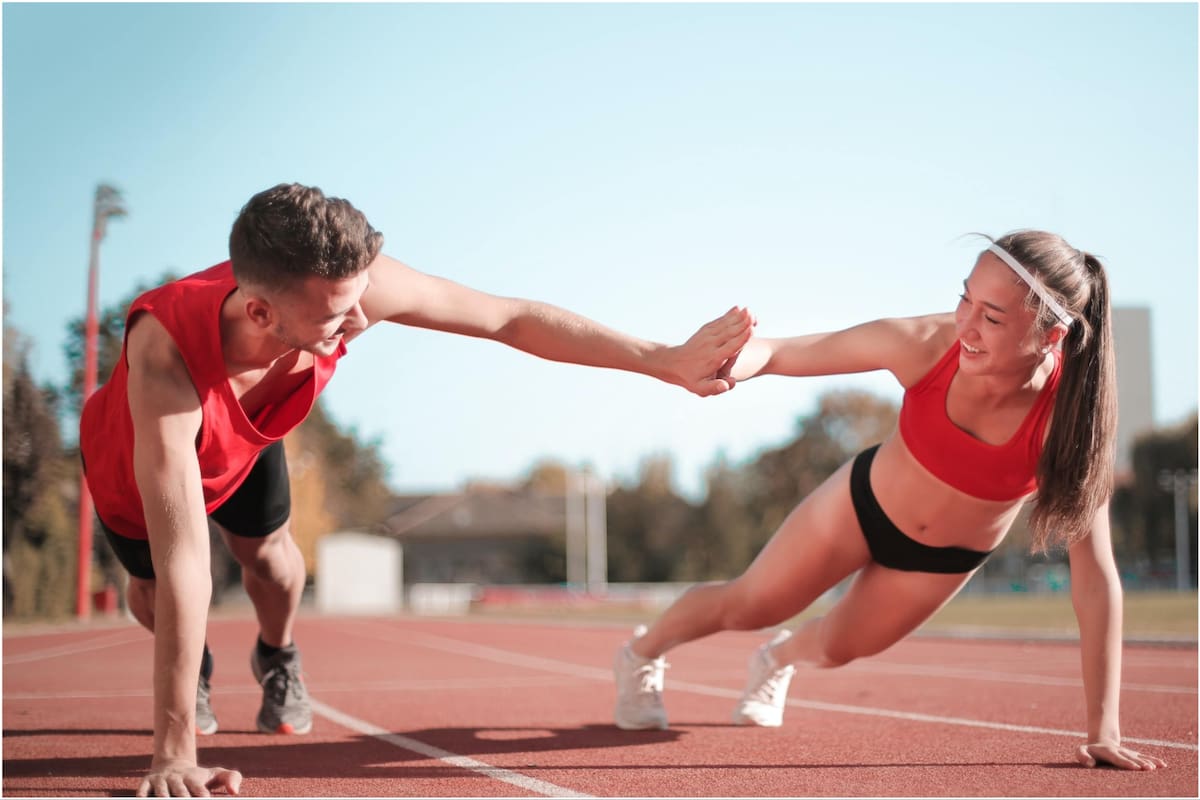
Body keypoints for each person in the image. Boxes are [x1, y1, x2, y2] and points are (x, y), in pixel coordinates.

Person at [79, 182, 756, 798]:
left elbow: (508, 318)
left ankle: (276, 656)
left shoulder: (350, 291)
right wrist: (174, 755)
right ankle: (192, 668)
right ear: (259, 312)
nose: (356, 323)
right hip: (136, 458)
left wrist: (660, 360)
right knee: (160, 593)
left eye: (356, 303)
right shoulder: (165, 357)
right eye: (335, 317)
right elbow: (185, 559)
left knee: (276, 565)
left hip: (248, 437)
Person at [612, 230, 1167, 772]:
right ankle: (642, 653)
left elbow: (1094, 575)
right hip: (861, 506)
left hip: (942, 561)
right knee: (752, 603)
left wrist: (1104, 732)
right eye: (964, 298)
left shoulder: (1068, 423)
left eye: (992, 317)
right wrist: (727, 363)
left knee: (836, 648)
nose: (966, 326)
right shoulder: (926, 344)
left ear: (1050, 337)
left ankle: (776, 660)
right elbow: (782, 352)